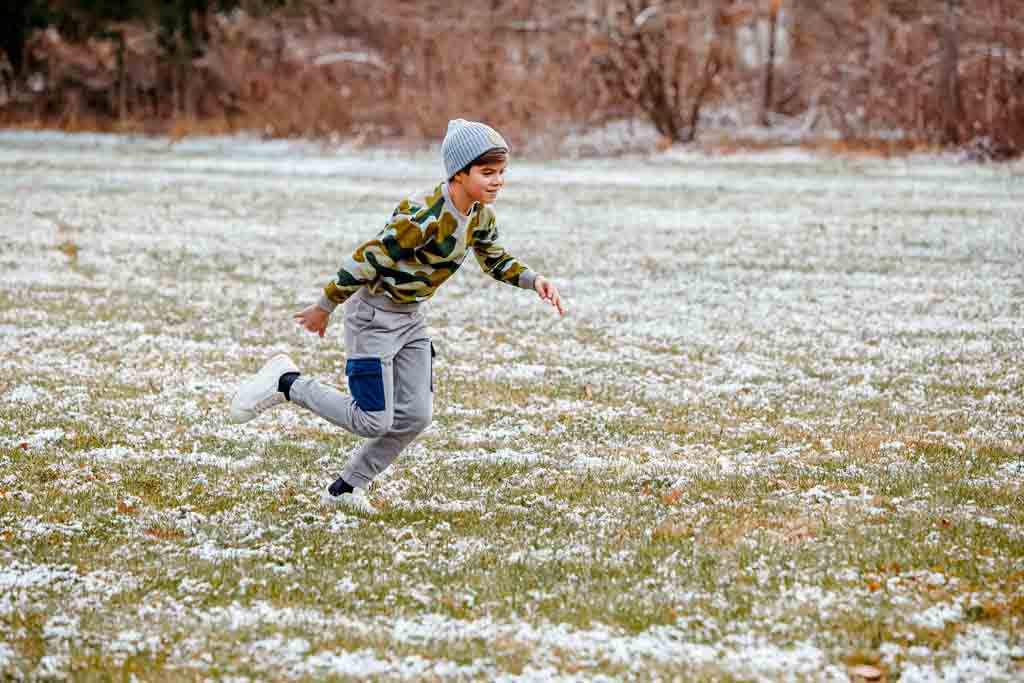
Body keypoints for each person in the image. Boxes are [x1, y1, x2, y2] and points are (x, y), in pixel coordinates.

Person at [229, 119, 566, 514]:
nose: (498, 182)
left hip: (411, 320)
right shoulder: (422, 217)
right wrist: (325, 305)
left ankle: (345, 489)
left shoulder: (479, 217)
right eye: (487, 173)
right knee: (372, 420)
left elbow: (494, 259)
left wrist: (534, 280)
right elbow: (368, 257)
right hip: (373, 317)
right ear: (459, 172)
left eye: (501, 173)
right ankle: (286, 382)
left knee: (416, 415)